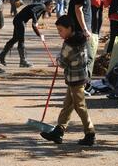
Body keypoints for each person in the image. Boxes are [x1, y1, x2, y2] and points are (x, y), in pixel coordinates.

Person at [40, 15, 95, 146]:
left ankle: (90, 133)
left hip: (74, 80)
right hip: (80, 77)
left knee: (80, 106)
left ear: (69, 28)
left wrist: (57, 60)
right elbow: (86, 59)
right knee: (67, 105)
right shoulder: (82, 40)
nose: (59, 33)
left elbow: (62, 62)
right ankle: (59, 131)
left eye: (61, 30)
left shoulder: (69, 44)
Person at [0, 0, 55, 68]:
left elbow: (34, 25)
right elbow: (32, 11)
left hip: (19, 20)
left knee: (15, 39)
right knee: (21, 40)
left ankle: (1, 56)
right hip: (20, 21)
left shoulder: (41, 10)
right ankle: (23, 61)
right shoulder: (42, 6)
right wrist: (35, 21)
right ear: (49, 6)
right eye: (52, 7)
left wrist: (39, 35)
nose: (52, 10)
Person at [67, 0, 104, 79]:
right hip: (80, 30)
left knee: (84, 58)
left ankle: (82, 83)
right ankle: (85, 84)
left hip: (82, 29)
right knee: (88, 58)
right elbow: (78, 10)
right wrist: (84, 29)